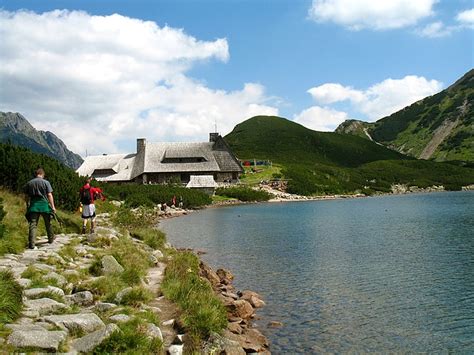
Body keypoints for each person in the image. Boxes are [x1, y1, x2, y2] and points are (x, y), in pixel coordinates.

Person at [24, 167, 56, 249]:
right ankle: (51, 239)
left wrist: (27, 205)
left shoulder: (29, 183)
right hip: (44, 205)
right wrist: (53, 206)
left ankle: (32, 244)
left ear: (36, 174)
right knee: (48, 223)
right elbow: (49, 195)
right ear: (42, 174)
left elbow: (26, 196)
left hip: (34, 205)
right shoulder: (46, 182)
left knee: (33, 225)